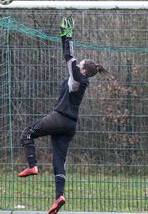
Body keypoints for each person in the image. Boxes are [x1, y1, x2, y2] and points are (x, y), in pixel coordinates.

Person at [18, 17, 111, 214]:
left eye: (80, 65)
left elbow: (68, 55)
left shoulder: (78, 78)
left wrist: (66, 35)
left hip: (59, 118)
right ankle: (59, 196)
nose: (77, 65)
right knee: (59, 160)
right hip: (70, 126)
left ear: (84, 70)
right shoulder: (81, 81)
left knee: (27, 133)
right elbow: (73, 59)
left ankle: (32, 166)